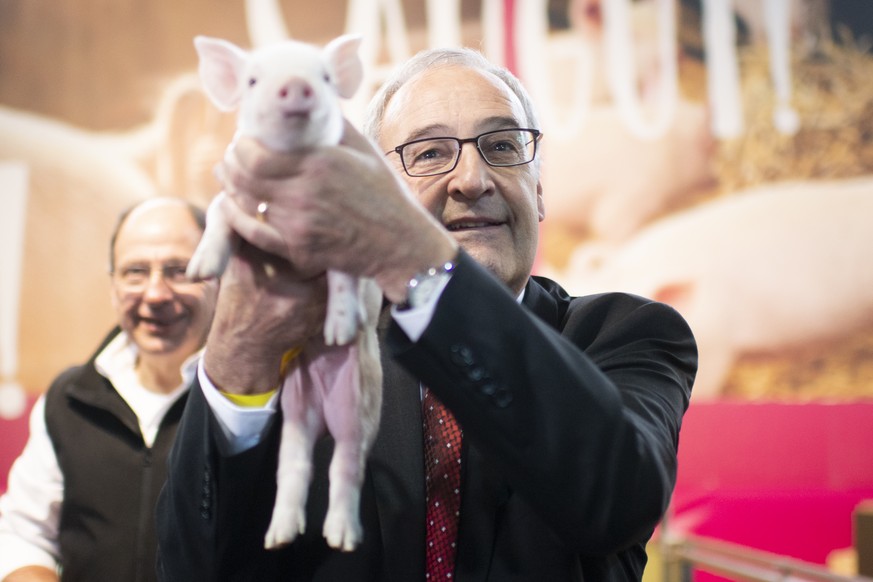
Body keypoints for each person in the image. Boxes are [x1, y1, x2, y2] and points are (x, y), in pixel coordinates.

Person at [156, 47, 697, 582]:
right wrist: (238, 356)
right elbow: (195, 566)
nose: (472, 180)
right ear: (375, 184)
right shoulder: (323, 352)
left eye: (503, 145)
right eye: (431, 153)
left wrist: (413, 255)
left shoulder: (627, 335)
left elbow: (614, 500)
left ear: (538, 191)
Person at [0, 198, 218, 582]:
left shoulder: (248, 403)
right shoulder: (69, 398)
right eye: (135, 271)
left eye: (178, 270)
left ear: (216, 278)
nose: (155, 293)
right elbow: (24, 533)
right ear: (113, 285)